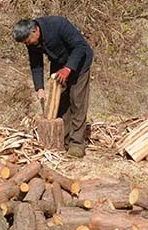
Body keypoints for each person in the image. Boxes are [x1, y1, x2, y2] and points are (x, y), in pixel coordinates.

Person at [12, 16, 93, 158]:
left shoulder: (58, 25)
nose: (27, 44)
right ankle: (65, 140)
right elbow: (36, 64)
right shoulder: (31, 42)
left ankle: (77, 144)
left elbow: (80, 47)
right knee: (61, 103)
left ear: (35, 30)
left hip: (79, 62)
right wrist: (40, 88)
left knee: (77, 101)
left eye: (28, 41)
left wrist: (68, 68)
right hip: (59, 64)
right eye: (25, 43)